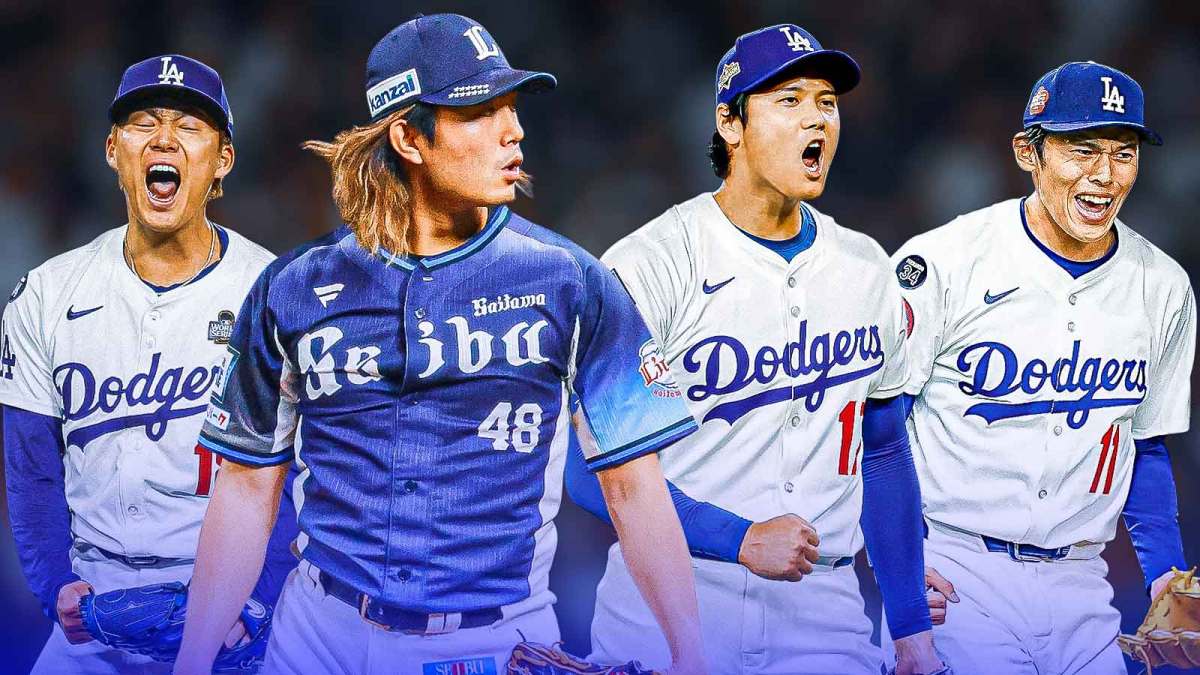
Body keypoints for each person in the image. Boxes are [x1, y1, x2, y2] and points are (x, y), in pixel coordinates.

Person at [174, 13, 706, 675]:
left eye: (511, 107)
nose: (514, 130)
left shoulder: (572, 282)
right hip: (320, 633)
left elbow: (634, 487)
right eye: (479, 111)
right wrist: (191, 661)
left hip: (488, 641)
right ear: (407, 137)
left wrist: (691, 653)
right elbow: (248, 489)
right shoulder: (295, 287)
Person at [575, 23, 946, 675]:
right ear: (730, 123)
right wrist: (738, 536)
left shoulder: (866, 268)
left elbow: (884, 446)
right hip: (667, 608)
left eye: (826, 102)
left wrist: (911, 623)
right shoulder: (650, 265)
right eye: (789, 100)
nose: (816, 119)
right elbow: (588, 471)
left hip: (822, 613)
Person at [891, 61, 1192, 673]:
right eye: (1083, 151)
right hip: (957, 572)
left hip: (1083, 581)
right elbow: (873, 428)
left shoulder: (1163, 285)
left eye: (1124, 153)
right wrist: (893, 559)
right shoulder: (943, 262)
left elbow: (1147, 444)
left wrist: (1164, 573)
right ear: (1029, 152)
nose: (1104, 177)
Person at [0, 54, 296, 673]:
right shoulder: (48, 293)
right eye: (143, 123)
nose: (164, 138)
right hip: (94, 608)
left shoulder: (272, 291)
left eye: (189, 126)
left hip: (227, 605)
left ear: (222, 161)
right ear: (114, 150)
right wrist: (54, 583)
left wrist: (260, 599)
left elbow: (305, 473)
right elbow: (30, 467)